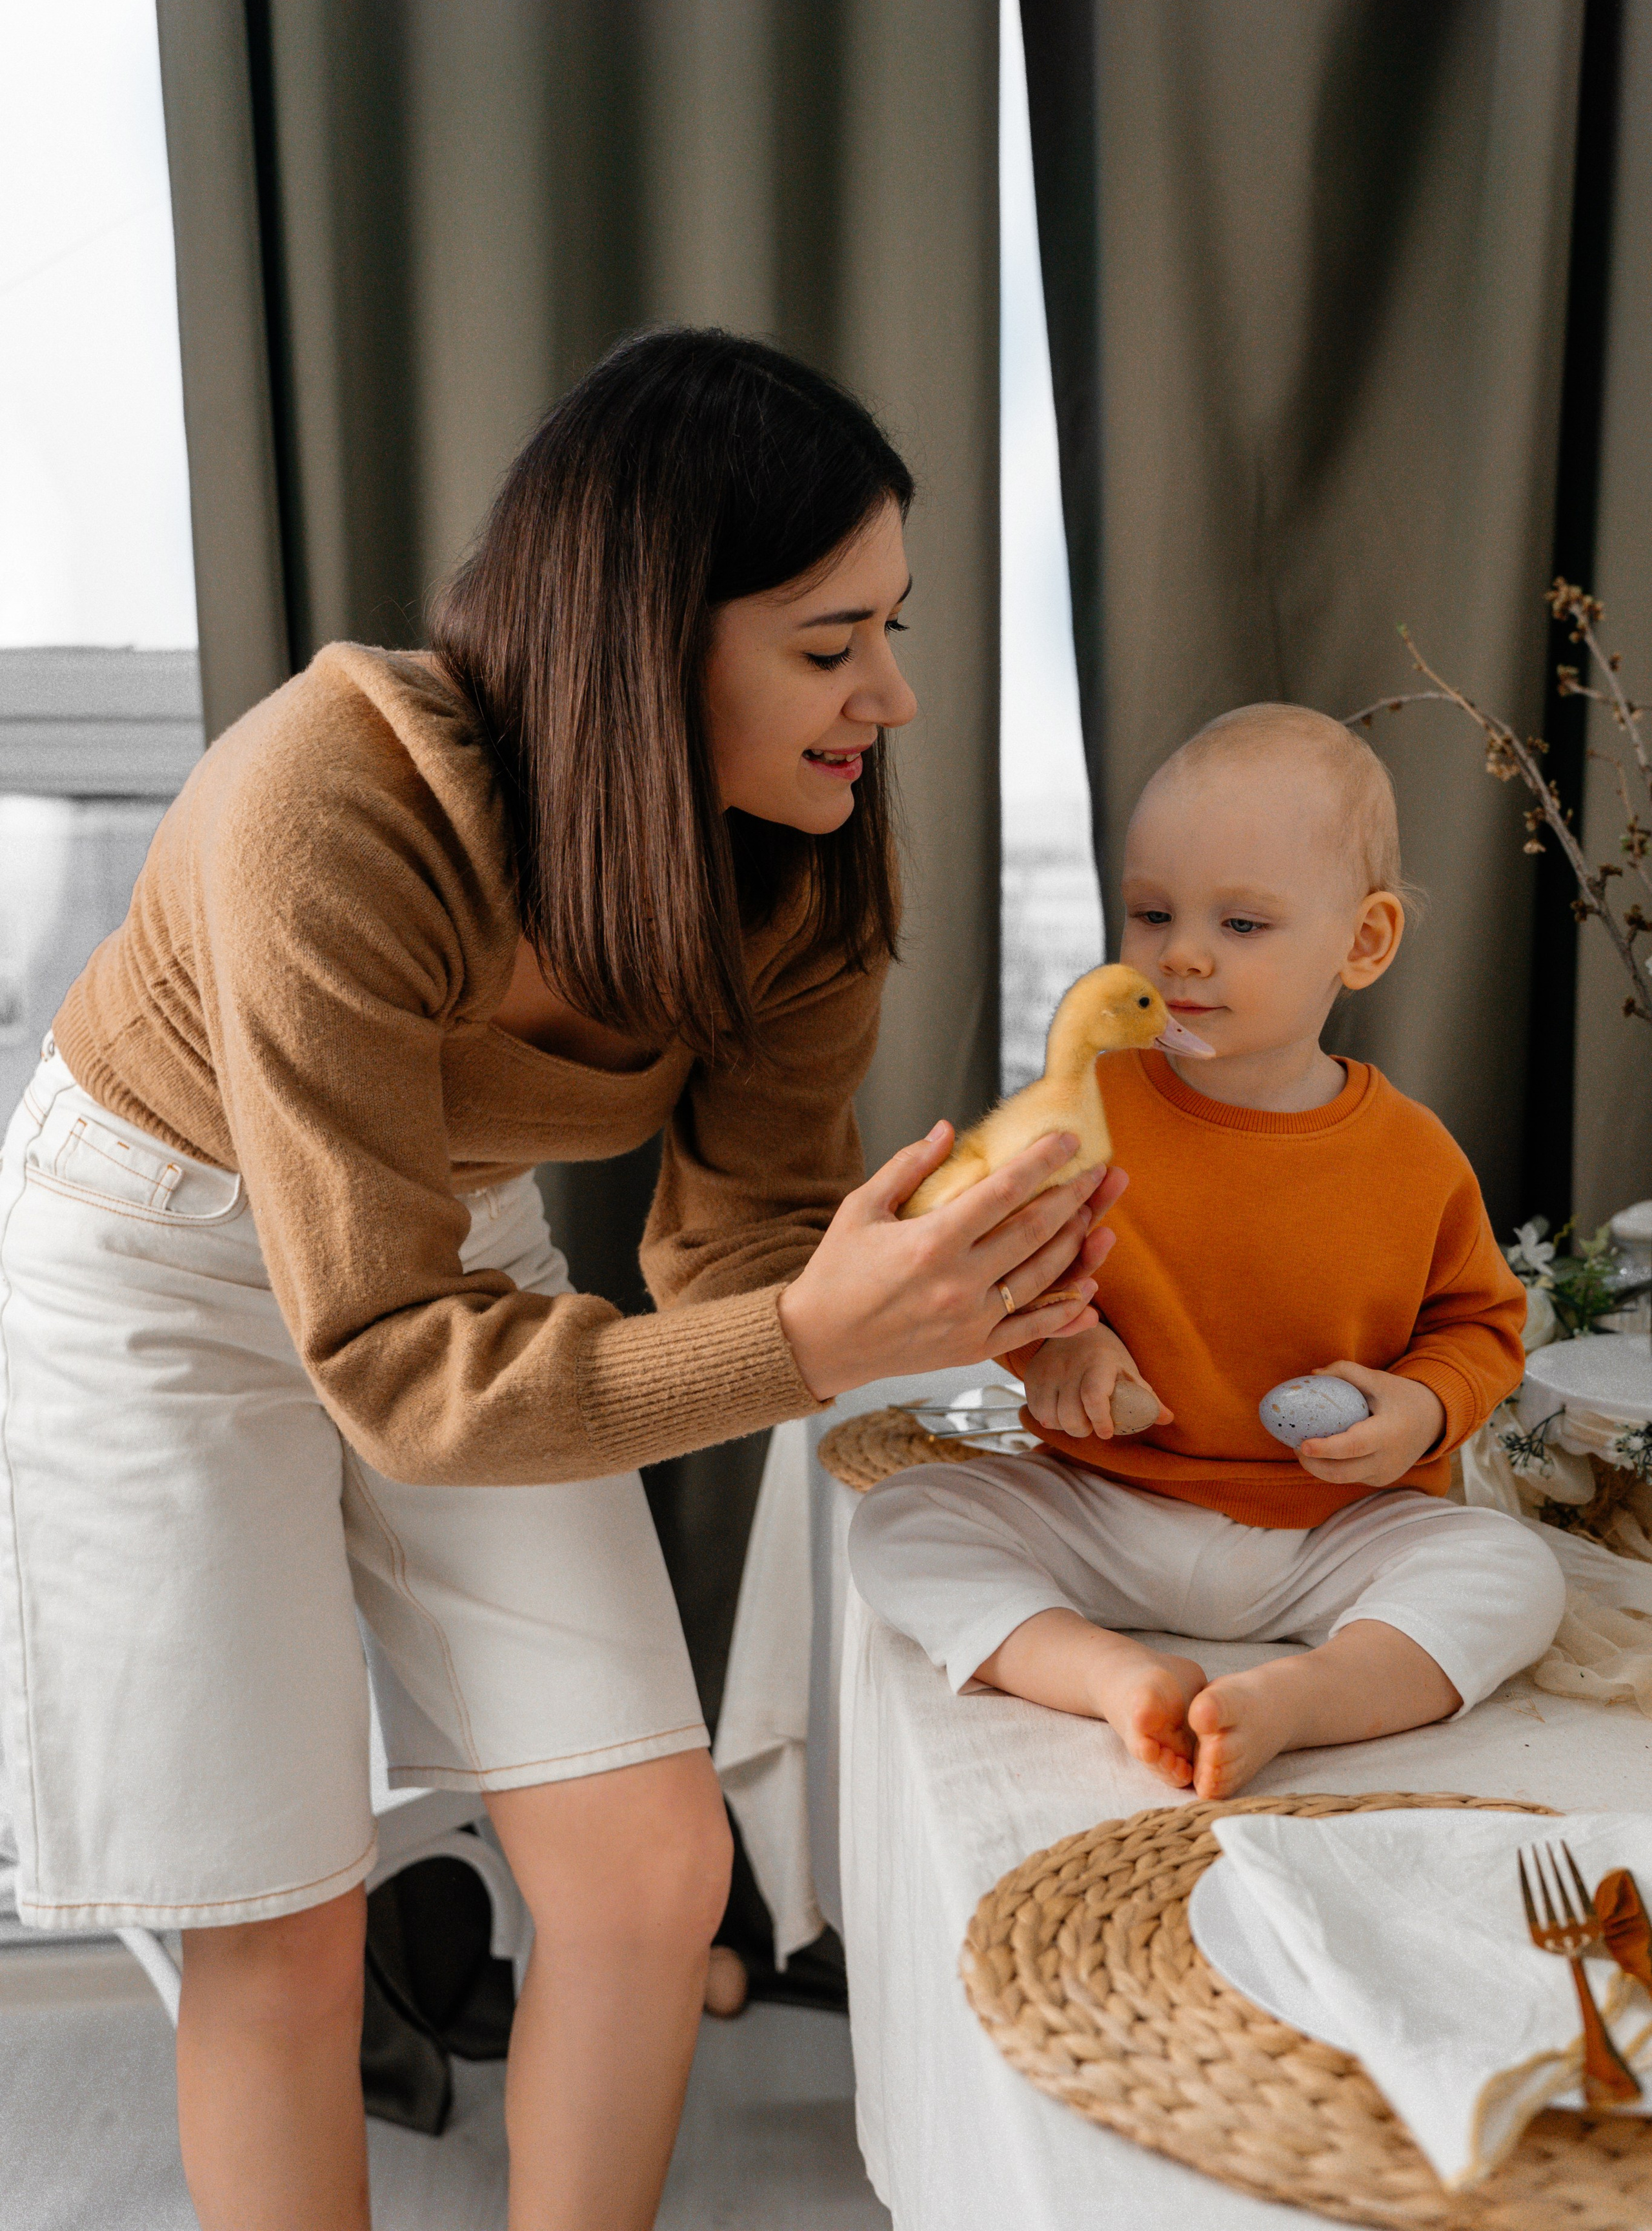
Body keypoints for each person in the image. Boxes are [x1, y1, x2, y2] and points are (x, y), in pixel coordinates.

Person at [0, 330, 1116, 2231]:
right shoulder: (323, 806)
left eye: (894, 630)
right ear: (645, 639)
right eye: (832, 645)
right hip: (159, 1259)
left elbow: (749, 1242)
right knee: (278, 1927)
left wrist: (952, 1302)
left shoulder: (803, 856)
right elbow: (391, 1361)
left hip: (445, 1235)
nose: (895, 698)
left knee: (651, 1861)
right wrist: (808, 1337)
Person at [849, 703, 1567, 1801]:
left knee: (1511, 1573)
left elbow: (1480, 1327)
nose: (1181, 951)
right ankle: (1107, 1672)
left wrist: (1418, 1410)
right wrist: (1059, 1350)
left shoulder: (1414, 1156)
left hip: (1334, 1529)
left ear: (1363, 941)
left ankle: (1308, 1697)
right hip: (1107, 1505)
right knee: (900, 1522)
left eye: (1242, 925)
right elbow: (997, 1266)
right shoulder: (1086, 1111)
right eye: (1152, 912)